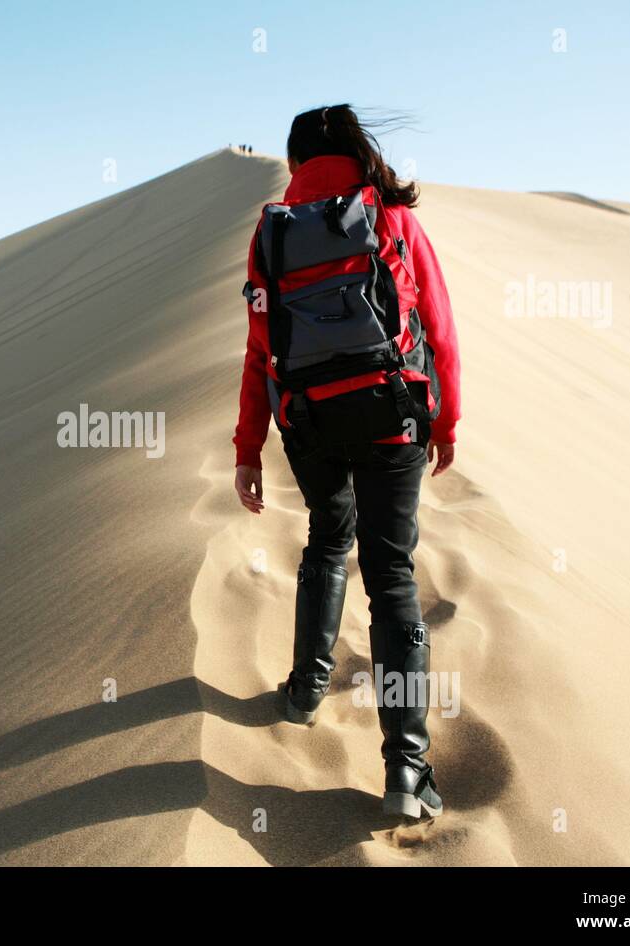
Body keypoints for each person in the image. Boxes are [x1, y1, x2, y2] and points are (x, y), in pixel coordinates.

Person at [232, 104, 461, 820]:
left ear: (296, 160)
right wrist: (447, 418)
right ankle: (406, 772)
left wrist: (248, 447)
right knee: (391, 575)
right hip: (392, 413)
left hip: (310, 419)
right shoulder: (392, 218)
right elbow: (440, 327)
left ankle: (304, 691)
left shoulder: (272, 232)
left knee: (328, 541)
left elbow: (258, 347)